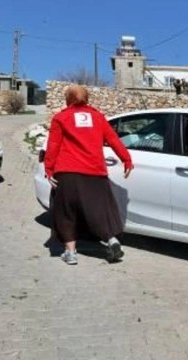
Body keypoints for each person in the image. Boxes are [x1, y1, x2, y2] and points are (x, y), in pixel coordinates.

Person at [44, 85, 134, 265]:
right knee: (100, 210)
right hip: (95, 172)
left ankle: (70, 253)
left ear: (68, 99)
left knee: (66, 213)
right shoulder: (98, 117)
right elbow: (114, 139)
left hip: (67, 173)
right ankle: (111, 240)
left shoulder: (61, 118)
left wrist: (49, 169)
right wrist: (126, 159)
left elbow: (53, 146)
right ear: (87, 98)